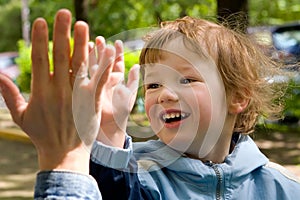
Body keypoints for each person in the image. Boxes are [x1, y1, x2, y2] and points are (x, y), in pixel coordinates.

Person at [0, 9, 299, 200]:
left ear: (238, 96)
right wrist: (109, 130)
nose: (164, 95)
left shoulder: (282, 187)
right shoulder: (135, 175)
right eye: (154, 84)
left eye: (187, 80)